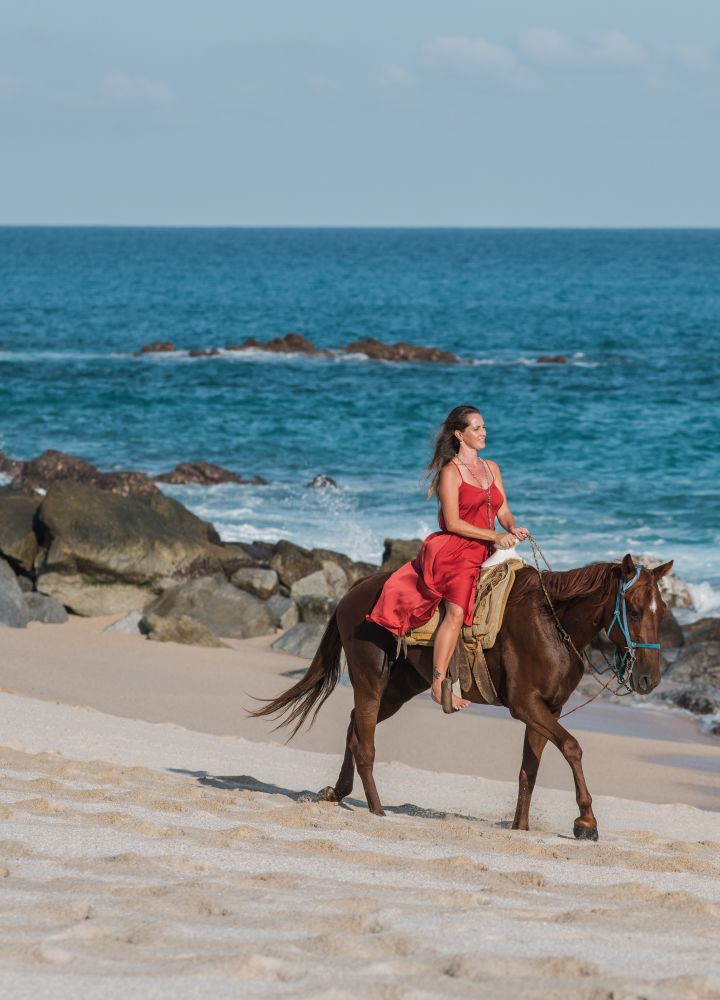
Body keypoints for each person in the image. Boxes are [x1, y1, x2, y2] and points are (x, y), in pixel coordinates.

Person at [367, 404, 528, 711]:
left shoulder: (492, 467)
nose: (484, 433)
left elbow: (503, 509)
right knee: (456, 611)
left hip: (489, 545)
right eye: (476, 428)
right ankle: (439, 683)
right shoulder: (450, 472)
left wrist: (512, 527)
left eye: (484, 427)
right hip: (457, 549)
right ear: (460, 434)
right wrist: (495, 535)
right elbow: (453, 523)